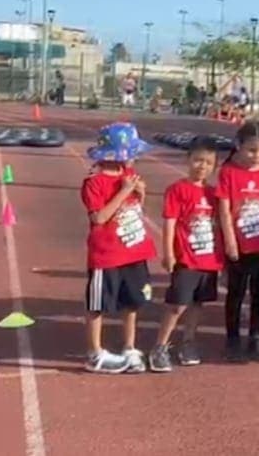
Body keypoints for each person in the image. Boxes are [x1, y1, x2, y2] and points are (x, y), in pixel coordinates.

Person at [80, 122, 156, 374]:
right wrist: (123, 192)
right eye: (132, 152)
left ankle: (129, 346)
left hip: (133, 251)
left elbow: (136, 209)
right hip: (107, 256)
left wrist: (140, 193)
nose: (135, 157)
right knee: (98, 305)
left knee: (132, 302)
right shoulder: (94, 182)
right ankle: (94, 352)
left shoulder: (128, 173)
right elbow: (99, 217)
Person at [148, 136, 222, 372]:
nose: (202, 166)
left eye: (208, 163)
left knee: (197, 305)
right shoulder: (177, 190)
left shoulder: (214, 194)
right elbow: (170, 222)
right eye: (198, 160)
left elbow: (219, 225)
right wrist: (169, 253)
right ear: (188, 160)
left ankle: (188, 342)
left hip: (208, 260)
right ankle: (160, 346)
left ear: (214, 166)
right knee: (177, 305)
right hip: (187, 259)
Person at [216, 121, 259, 362]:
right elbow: (224, 208)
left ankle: (256, 333)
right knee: (236, 291)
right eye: (252, 150)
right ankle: (232, 336)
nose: (257, 156)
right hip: (240, 243)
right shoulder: (229, 172)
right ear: (239, 146)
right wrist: (230, 240)